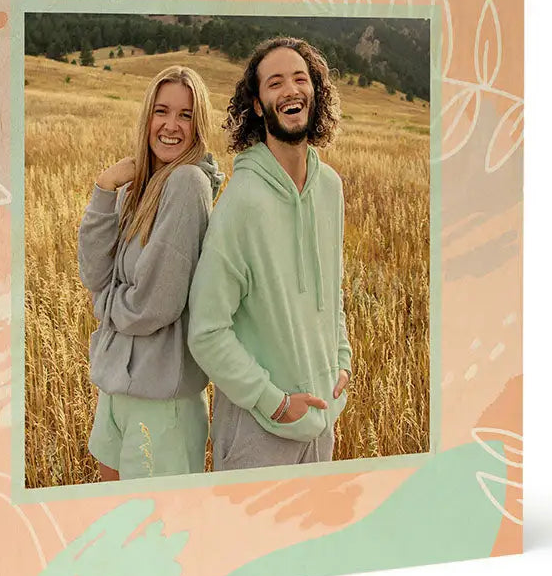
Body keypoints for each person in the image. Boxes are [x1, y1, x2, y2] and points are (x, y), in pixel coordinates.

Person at [187, 37, 352, 470]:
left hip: (321, 427)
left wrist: (342, 361)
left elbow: (332, 293)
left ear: (316, 92)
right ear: (258, 105)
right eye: (275, 83)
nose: (291, 90)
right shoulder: (242, 201)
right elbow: (206, 330)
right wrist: (273, 402)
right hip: (257, 435)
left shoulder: (330, 188)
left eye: (301, 79)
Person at [78, 66, 223, 481]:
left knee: (149, 537)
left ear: (200, 124)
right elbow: (93, 271)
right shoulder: (142, 186)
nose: (171, 126)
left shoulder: (187, 184)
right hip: (116, 388)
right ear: (147, 116)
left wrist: (106, 304)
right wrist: (105, 189)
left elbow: (153, 306)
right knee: (113, 525)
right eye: (162, 111)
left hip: (161, 404)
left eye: (186, 114)